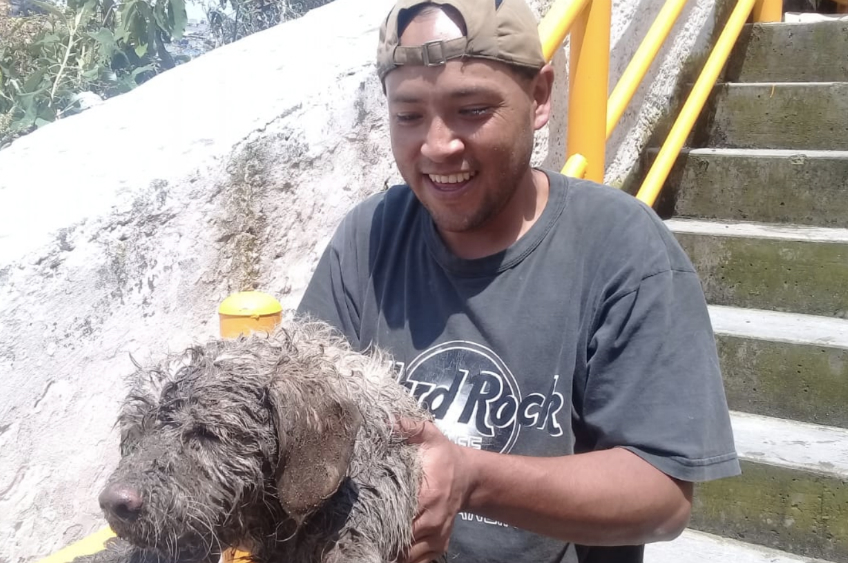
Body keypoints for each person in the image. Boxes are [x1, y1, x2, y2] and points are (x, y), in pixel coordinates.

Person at [296, 1, 741, 562]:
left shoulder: (623, 248)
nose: (437, 146)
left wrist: (471, 478)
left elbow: (663, 494)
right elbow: (301, 410)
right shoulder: (368, 238)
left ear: (539, 98)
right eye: (408, 115)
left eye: (473, 109)